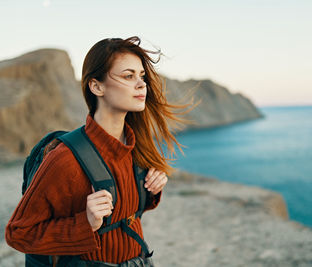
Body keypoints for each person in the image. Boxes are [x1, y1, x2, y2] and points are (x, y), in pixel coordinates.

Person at [5, 36, 197, 266]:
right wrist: (85, 223)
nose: (141, 84)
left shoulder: (135, 146)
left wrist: (151, 190)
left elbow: (124, 217)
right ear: (96, 86)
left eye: (141, 76)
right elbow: (19, 233)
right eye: (128, 76)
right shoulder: (65, 159)